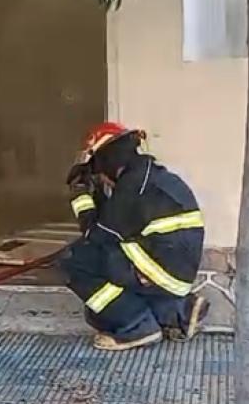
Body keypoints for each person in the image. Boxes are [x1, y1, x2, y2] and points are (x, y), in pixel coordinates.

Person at [61, 122, 210, 351]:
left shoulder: (132, 187)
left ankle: (136, 327)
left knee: (73, 260)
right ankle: (180, 310)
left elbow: (96, 236)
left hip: (159, 268)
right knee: (97, 313)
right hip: (173, 268)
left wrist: (80, 197)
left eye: (98, 170)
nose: (100, 178)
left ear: (108, 160)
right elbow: (115, 226)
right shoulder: (148, 176)